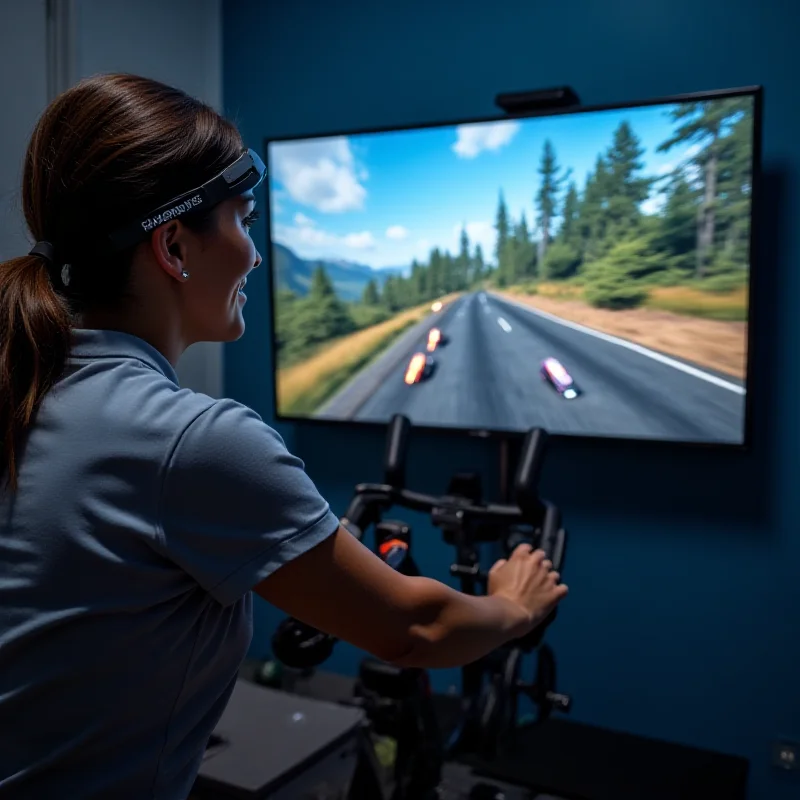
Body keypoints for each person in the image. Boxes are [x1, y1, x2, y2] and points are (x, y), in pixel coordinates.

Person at [0, 73, 568, 799]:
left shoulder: (25, 387)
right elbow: (417, 631)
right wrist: (516, 606)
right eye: (244, 220)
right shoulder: (191, 441)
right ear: (174, 246)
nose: (256, 254)